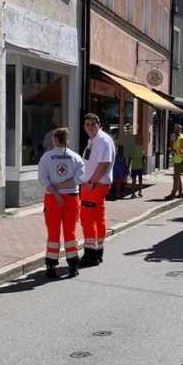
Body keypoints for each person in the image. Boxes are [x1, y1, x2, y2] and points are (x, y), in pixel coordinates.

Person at [37, 127, 86, 278]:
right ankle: (73, 266)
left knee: (53, 233)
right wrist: (64, 186)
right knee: (70, 232)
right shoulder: (75, 157)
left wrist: (57, 192)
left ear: (56, 140)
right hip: (71, 198)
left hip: (52, 199)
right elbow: (80, 178)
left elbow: (43, 180)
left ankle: (51, 267)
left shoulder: (46, 157)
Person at [79, 112, 116, 267]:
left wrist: (91, 181)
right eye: (87, 124)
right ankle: (98, 250)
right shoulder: (95, 139)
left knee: (87, 218)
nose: (90, 127)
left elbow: (104, 163)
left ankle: (90, 254)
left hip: (94, 185)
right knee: (98, 218)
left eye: (93, 124)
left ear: (99, 125)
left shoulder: (101, 140)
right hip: (97, 184)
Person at [165, 123, 183, 200]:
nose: (175, 130)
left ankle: (173, 193)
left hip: (181, 159)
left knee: (176, 177)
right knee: (177, 176)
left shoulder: (182, 138)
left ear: (180, 130)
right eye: (175, 129)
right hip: (177, 159)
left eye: (177, 129)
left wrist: (175, 150)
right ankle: (181, 192)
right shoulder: (176, 137)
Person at [129, 134, 145, 198]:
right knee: (140, 180)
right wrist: (144, 164)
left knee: (134, 180)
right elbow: (143, 158)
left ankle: (133, 193)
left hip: (135, 167)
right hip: (139, 167)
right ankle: (139, 192)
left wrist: (128, 167)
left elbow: (130, 159)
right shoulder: (141, 148)